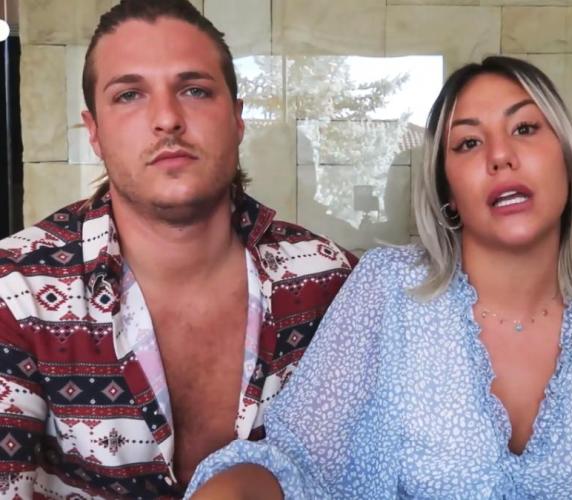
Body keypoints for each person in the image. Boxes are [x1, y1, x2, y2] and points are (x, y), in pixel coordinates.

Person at [185, 56, 572, 499]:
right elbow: (299, 462)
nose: (501, 156)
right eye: (469, 143)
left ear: (566, 159)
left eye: (525, 128)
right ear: (447, 192)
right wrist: (232, 491)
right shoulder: (388, 289)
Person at [0, 1, 356, 498]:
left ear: (237, 119)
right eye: (129, 94)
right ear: (95, 132)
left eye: (194, 90)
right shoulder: (17, 288)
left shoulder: (330, 280)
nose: (167, 118)